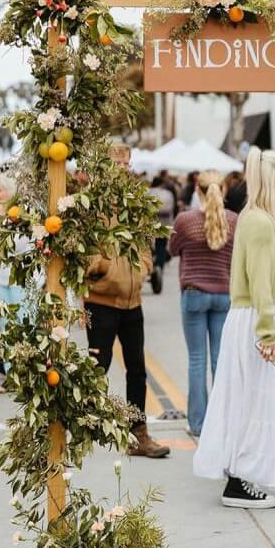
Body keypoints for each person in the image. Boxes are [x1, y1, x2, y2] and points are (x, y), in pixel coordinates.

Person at [193, 146, 275, 509]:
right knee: (259, 395)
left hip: (256, 316)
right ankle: (241, 478)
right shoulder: (258, 221)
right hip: (255, 317)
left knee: (261, 393)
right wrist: (270, 332)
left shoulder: (257, 217)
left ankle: (244, 474)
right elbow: (260, 282)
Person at [84, 143, 170, 458]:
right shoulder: (89, 204)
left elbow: (146, 240)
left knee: (137, 369)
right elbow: (81, 246)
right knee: (98, 366)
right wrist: (103, 269)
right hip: (101, 299)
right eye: (117, 164)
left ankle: (138, 434)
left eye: (126, 164)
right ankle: (85, 427)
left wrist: (143, 266)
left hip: (133, 301)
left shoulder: (134, 202)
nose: (124, 169)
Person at [170, 170, 237, 437]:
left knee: (197, 360)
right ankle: (223, 421)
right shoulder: (234, 220)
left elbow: (172, 249)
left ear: (197, 190)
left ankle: (198, 424)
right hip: (224, 293)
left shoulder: (185, 220)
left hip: (194, 292)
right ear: (223, 190)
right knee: (220, 359)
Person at [0, 174, 28, 393]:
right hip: (4, 279)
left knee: (23, 325)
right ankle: (10, 373)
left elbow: (24, 246)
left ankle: (25, 372)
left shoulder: (20, 214)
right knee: (6, 327)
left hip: (21, 279)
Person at [147, 176, 175, 289]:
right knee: (161, 246)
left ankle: (149, 265)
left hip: (149, 223)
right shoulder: (168, 194)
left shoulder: (147, 192)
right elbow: (172, 208)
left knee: (147, 246)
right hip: (165, 223)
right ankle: (160, 267)